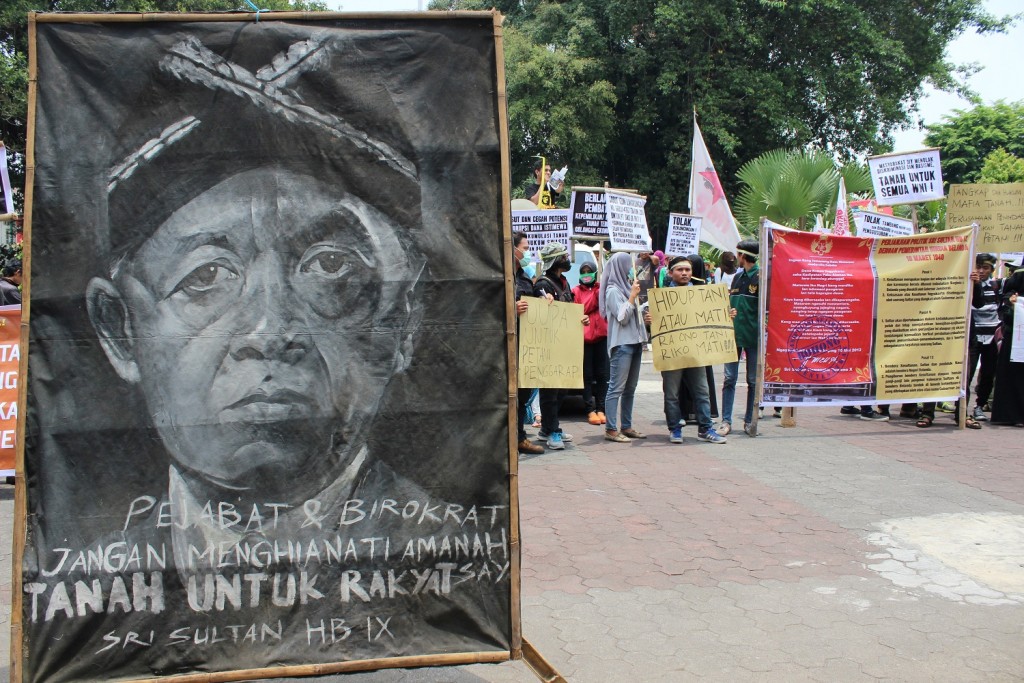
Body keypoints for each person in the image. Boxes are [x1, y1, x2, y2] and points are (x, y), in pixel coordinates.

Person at [24, 25, 512, 680]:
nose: (269, 328)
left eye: (330, 268)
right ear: (119, 329)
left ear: (401, 317)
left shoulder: (451, 557)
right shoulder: (93, 585)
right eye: (205, 278)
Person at [659, 256, 727, 445]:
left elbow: (711, 319)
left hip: (695, 352)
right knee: (671, 394)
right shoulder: (660, 297)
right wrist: (651, 321)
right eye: (680, 270)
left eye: (688, 270)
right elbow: (654, 325)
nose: (684, 273)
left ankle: (705, 428)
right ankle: (674, 428)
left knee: (702, 391)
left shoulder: (701, 295)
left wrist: (725, 315)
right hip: (672, 353)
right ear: (671, 273)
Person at [532, 241, 585, 450]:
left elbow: (569, 309)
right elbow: (540, 315)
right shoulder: (542, 285)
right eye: (563, 256)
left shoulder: (564, 282)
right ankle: (551, 430)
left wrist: (580, 320)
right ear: (555, 260)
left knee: (562, 387)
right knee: (550, 391)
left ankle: (548, 427)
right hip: (548, 345)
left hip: (564, 344)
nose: (567, 259)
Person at [601, 252, 649, 442]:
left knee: (630, 388)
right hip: (622, 344)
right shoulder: (612, 290)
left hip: (635, 342)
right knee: (616, 388)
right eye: (628, 265)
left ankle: (626, 426)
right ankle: (611, 429)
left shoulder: (628, 287)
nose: (632, 269)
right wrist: (631, 298)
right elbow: (622, 318)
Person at [720, 240, 761, 436]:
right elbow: (729, 304)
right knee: (729, 379)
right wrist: (729, 312)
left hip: (754, 337)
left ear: (743, 256)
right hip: (733, 336)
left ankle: (749, 420)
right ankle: (725, 421)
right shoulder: (737, 278)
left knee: (753, 381)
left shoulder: (762, 278)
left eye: (738, 254)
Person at [514, 231, 545, 454]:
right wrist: (511, 309)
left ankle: (519, 437)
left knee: (523, 392)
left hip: (527, 343)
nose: (527, 252)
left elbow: (535, 300)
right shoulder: (500, 276)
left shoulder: (525, 276)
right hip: (508, 345)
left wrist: (546, 301)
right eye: (524, 248)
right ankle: (513, 438)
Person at [573, 261, 609, 426]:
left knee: (603, 375)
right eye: (583, 271)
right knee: (586, 375)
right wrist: (595, 297)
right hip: (584, 340)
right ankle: (589, 410)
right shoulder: (576, 291)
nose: (586, 274)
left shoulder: (601, 289)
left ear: (595, 272)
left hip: (601, 337)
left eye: (589, 271)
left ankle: (601, 408)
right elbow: (580, 308)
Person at [991, 267, 1024, 427]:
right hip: (1018, 334)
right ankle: (1011, 414)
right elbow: (1006, 297)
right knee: (1014, 375)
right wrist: (1011, 302)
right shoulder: (1020, 275)